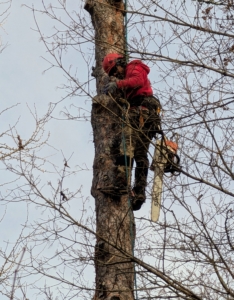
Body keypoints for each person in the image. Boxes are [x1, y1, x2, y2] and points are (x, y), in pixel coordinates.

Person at [102, 53, 161, 210]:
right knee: (140, 155)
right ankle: (139, 193)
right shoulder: (127, 76)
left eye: (115, 71)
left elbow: (137, 81)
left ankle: (121, 183)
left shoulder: (133, 67)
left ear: (119, 63)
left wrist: (118, 84)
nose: (116, 75)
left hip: (141, 112)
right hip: (147, 114)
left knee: (124, 144)